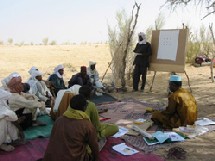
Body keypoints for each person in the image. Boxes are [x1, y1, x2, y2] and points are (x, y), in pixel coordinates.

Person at [43, 94, 99, 161]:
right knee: (100, 142)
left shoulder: (59, 120)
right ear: (84, 107)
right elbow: (94, 146)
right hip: (74, 157)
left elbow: (53, 139)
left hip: (51, 157)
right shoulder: (86, 124)